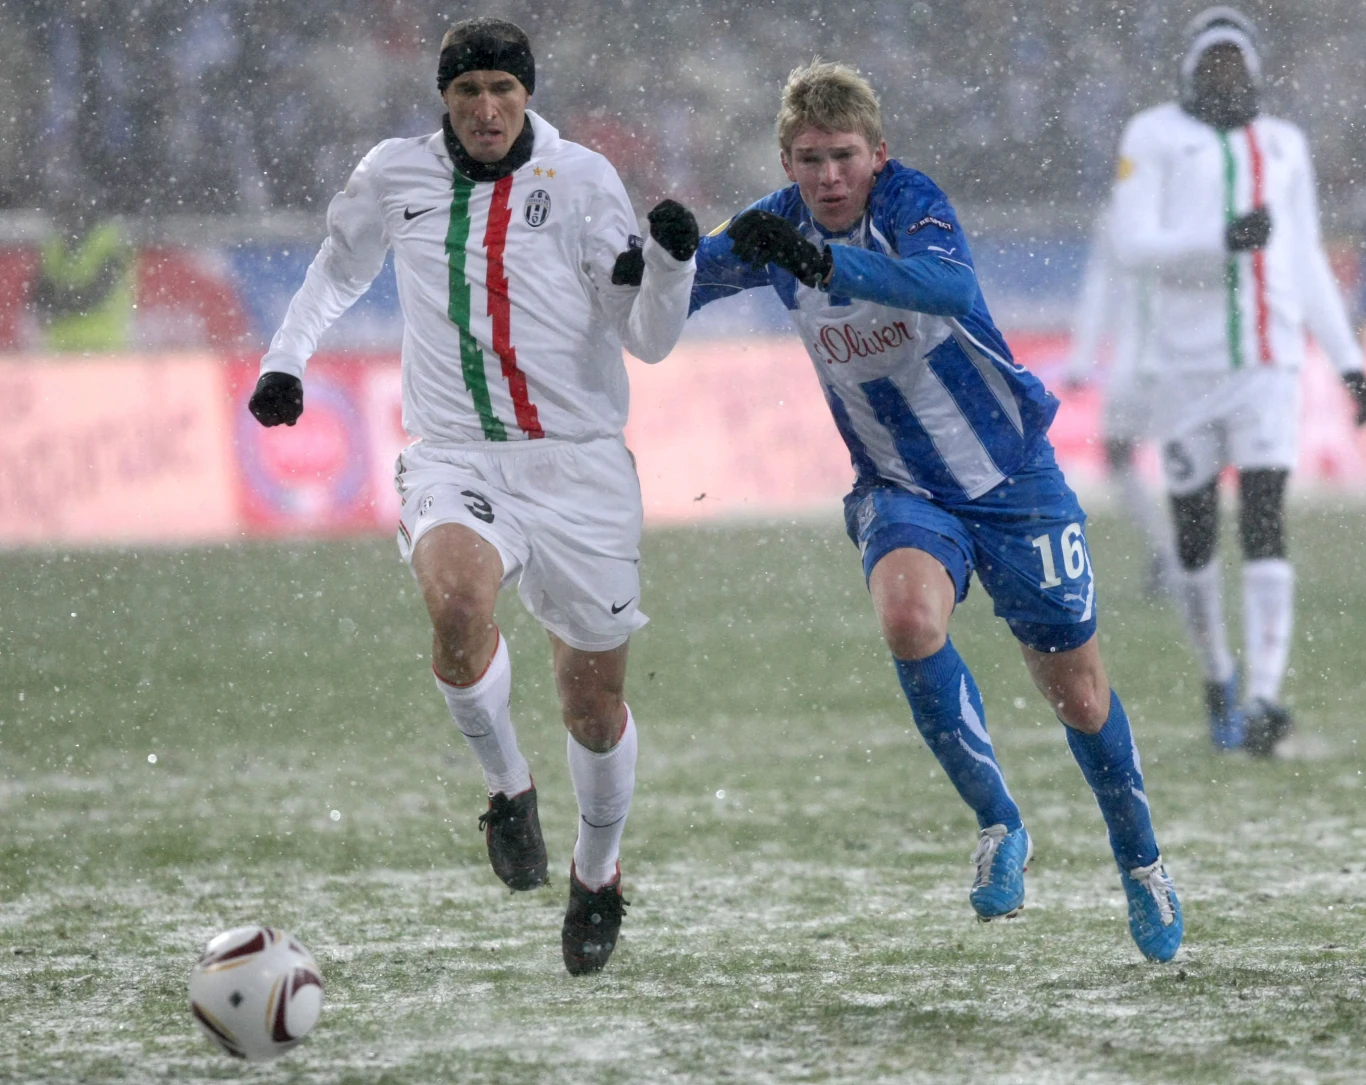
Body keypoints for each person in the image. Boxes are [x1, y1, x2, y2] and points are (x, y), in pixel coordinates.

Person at [686, 60, 1182, 961]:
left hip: (1013, 475)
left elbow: (948, 289)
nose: (828, 176)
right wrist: (653, 253)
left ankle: (1141, 862)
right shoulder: (773, 227)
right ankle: (1001, 824)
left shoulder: (914, 201)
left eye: (844, 156)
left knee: (1077, 692)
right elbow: (670, 290)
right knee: (910, 618)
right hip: (900, 485)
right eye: (809, 159)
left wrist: (828, 262)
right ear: (787, 163)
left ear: (878, 154)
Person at [247, 16, 699, 976]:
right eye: (467, 93)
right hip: (455, 453)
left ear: (527, 94)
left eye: (502, 90)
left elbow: (650, 339)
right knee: (456, 606)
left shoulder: (582, 182)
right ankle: (507, 789)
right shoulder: (393, 175)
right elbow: (337, 267)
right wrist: (286, 360)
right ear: (443, 101)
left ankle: (598, 868)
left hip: (578, 464)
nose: (486, 109)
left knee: (593, 703)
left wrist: (672, 265)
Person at [1108, 7, 1366, 755]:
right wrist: (1216, 242)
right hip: (1182, 370)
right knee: (1194, 535)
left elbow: (1308, 261)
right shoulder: (1153, 138)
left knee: (1264, 517)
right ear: (1190, 70)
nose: (1225, 75)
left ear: (1253, 70)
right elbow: (1133, 245)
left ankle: (1264, 696)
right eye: (1212, 63)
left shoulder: (1283, 145)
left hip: (1267, 364)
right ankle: (1218, 670)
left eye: (1236, 63)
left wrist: (1349, 362)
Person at [1065, 201, 1177, 600]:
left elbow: (1102, 287)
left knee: (1121, 454)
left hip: (1143, 360)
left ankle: (1172, 552)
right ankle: (1183, 553)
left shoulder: (1120, 211)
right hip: (1197, 357)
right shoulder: (1196, 197)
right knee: (1189, 457)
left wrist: (1082, 356)